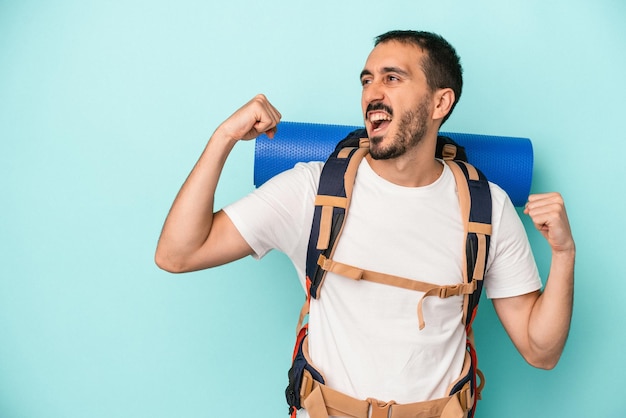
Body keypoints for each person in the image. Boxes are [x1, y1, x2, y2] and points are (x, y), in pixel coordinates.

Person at [155, 30, 575, 417]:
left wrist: (563, 253)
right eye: (367, 79)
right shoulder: (311, 189)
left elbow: (542, 352)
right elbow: (178, 254)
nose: (372, 92)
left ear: (439, 103)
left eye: (392, 79)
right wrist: (223, 136)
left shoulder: (488, 208)